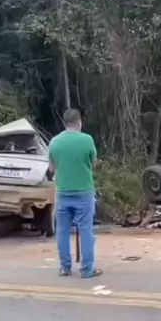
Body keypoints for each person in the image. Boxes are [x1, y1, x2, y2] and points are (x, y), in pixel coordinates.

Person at [48, 109, 102, 279]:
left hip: (63, 193)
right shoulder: (87, 140)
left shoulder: (54, 142)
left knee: (62, 231)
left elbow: (51, 169)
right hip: (84, 192)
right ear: (79, 122)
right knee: (86, 230)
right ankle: (87, 269)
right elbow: (94, 164)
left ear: (64, 123)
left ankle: (65, 268)